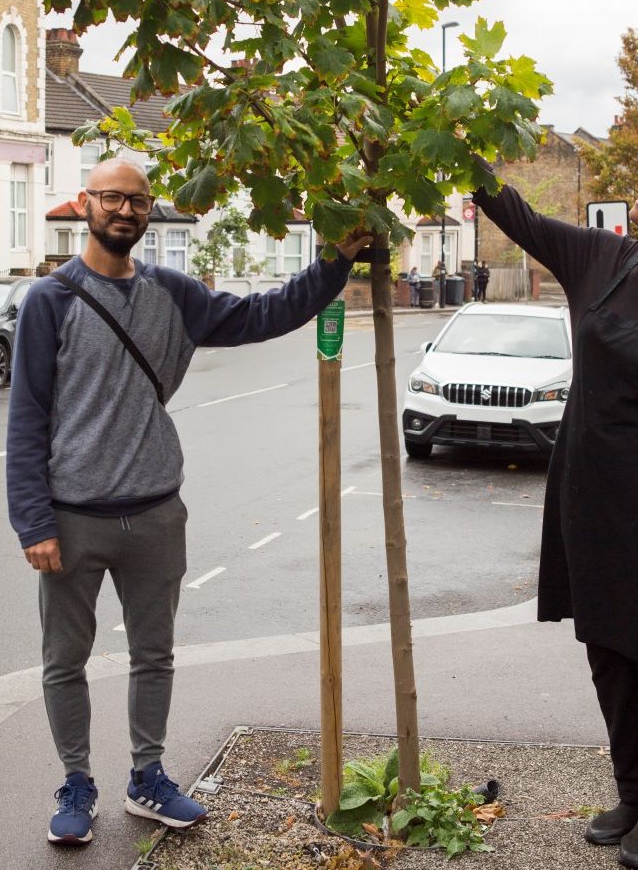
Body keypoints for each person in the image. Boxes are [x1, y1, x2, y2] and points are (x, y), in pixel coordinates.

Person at [6, 158, 371, 847]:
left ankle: (147, 777)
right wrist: (32, 520)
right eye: (112, 198)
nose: (124, 211)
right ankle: (76, 783)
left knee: (154, 654)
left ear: (148, 213)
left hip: (154, 514)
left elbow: (265, 314)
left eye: (137, 202)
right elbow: (25, 419)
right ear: (86, 204)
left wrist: (333, 262)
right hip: (72, 518)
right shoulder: (49, 301)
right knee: (64, 661)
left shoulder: (173, 293)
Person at [474, 151, 638, 869]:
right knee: (605, 644)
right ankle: (630, 794)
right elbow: (516, 214)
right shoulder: (601, 259)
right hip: (589, 479)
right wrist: (453, 145)